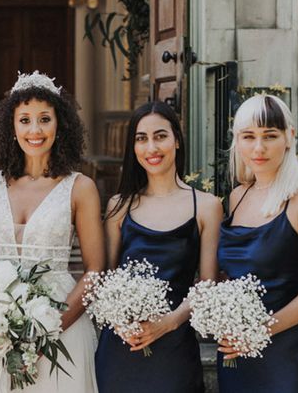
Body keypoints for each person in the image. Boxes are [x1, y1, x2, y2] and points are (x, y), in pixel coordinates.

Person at [0, 70, 105, 393]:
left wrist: (49, 329)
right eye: (24, 120)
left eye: (44, 119)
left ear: (60, 125)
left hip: (60, 326)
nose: (34, 130)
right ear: (11, 126)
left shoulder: (80, 188)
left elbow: (95, 270)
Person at [95, 101, 222, 393]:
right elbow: (104, 279)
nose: (151, 147)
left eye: (160, 136)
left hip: (174, 350)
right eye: (141, 139)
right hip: (121, 349)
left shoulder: (207, 206)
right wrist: (120, 322)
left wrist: (168, 323)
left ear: (177, 139)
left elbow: (208, 284)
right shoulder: (119, 206)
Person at [216, 94, 298, 392]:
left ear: (289, 137)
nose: (258, 148)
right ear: (237, 141)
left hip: (287, 355)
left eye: (270, 136)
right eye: (249, 137)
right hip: (237, 354)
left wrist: (261, 330)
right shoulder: (237, 197)